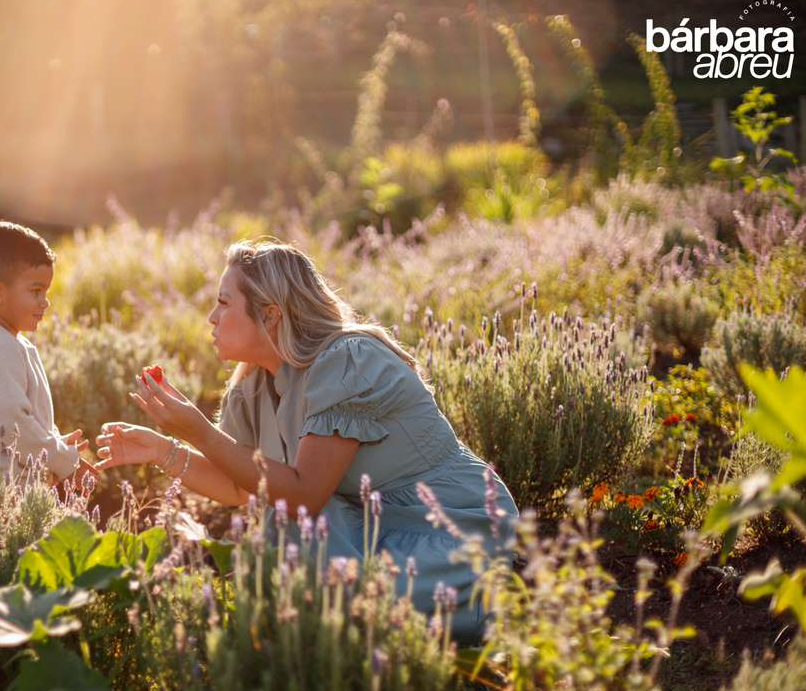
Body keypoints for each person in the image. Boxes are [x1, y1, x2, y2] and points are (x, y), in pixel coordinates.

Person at [94, 239, 516, 642]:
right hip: (376, 530)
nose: (211, 317)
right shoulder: (253, 386)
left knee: (293, 529)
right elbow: (241, 487)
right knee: (289, 540)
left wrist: (200, 431)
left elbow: (303, 495)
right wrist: (164, 450)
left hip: (451, 533)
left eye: (223, 303)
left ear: (271, 314)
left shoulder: (348, 360)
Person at [0, 221, 95, 485]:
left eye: (46, 291)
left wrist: (54, 444)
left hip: (4, 487)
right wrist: (61, 460)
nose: (45, 302)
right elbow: (14, 426)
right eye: (36, 291)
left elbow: (22, 417)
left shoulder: (3, 339)